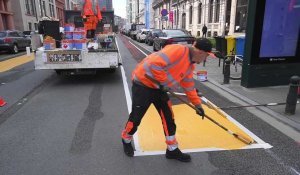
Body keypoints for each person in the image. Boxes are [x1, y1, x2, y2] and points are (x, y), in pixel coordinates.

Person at [121, 38, 215, 162]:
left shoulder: (190, 66)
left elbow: (188, 86)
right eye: (206, 56)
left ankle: (172, 150)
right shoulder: (177, 50)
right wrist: (163, 82)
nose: (205, 60)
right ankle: (126, 139)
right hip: (143, 85)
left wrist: (197, 104)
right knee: (136, 117)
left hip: (160, 89)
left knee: (168, 118)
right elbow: (154, 64)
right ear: (201, 53)